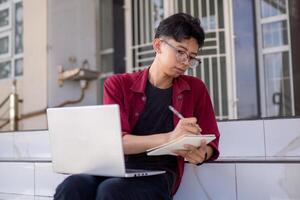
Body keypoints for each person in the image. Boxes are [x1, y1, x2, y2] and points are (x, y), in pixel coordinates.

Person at [54, 12, 220, 200]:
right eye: (180, 52)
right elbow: (118, 141)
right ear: (158, 45)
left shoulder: (195, 89)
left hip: (159, 174)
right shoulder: (118, 84)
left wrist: (202, 153)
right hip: (115, 167)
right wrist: (170, 137)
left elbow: (211, 140)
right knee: (72, 186)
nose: (185, 62)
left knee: (111, 191)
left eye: (191, 57)